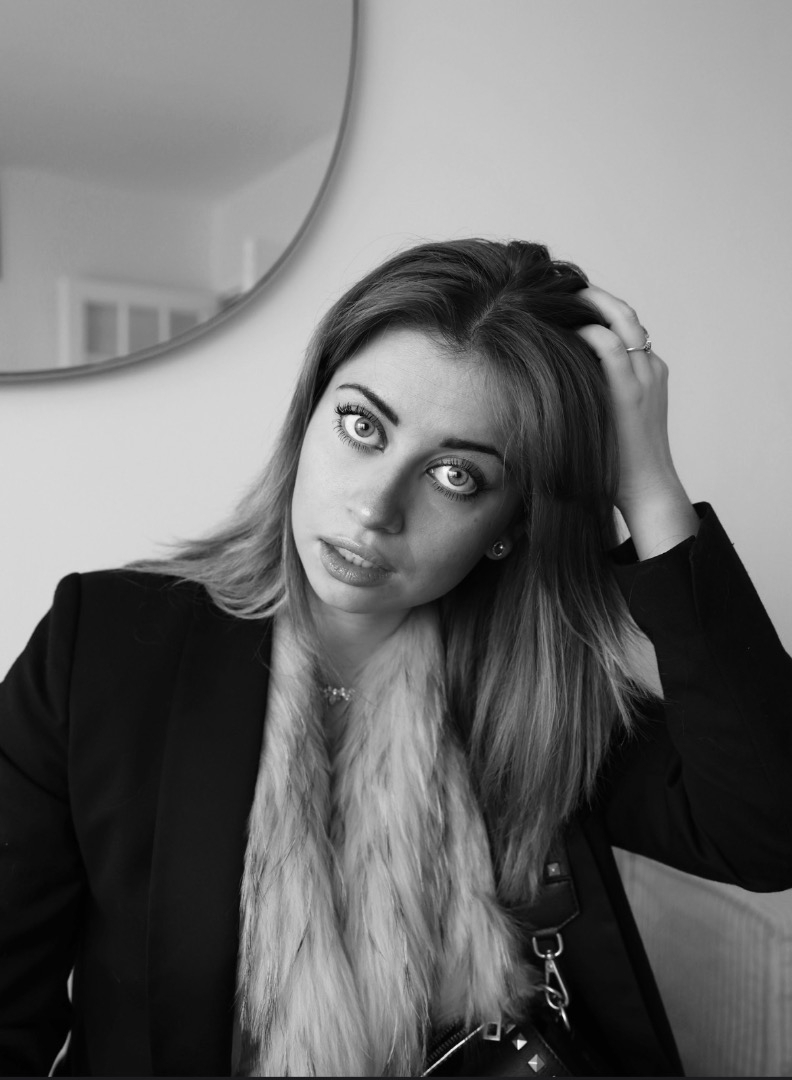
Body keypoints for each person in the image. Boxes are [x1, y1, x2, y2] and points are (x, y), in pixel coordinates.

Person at [1, 239, 790, 1078]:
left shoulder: (540, 699)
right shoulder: (107, 646)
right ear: (309, 416)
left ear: (511, 527)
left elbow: (766, 831)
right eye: (362, 426)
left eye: (456, 476)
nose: (375, 508)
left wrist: (649, 485)